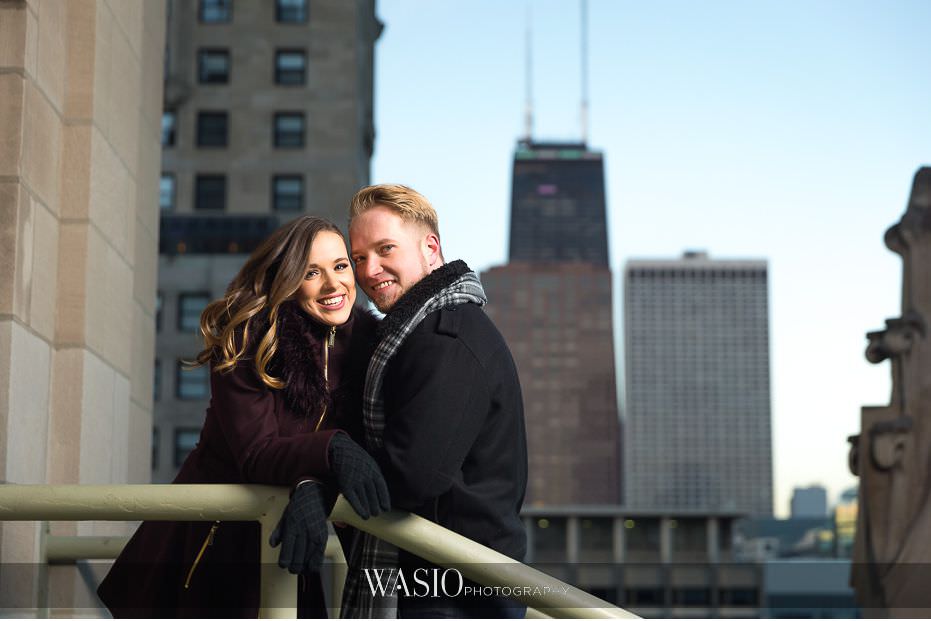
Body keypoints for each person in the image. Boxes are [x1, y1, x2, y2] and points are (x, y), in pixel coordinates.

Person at [96, 216, 390, 618]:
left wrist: (312, 486)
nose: (332, 285)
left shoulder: (369, 348)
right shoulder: (249, 337)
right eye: (310, 272)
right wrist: (332, 451)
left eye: (340, 266)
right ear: (287, 279)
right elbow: (256, 452)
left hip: (285, 541)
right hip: (210, 540)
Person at [339, 184, 528, 618]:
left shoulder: (448, 338)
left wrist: (332, 467)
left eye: (386, 248)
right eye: (359, 258)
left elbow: (413, 476)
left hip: (455, 597)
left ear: (430, 248)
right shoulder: (421, 331)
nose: (370, 270)